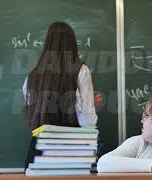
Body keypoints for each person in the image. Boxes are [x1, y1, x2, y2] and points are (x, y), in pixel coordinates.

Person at [22, 22, 100, 168]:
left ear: (47, 44)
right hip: (70, 150)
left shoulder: (32, 76)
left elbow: (33, 109)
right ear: (72, 44)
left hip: (38, 150)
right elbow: (87, 122)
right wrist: (84, 106)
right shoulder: (81, 71)